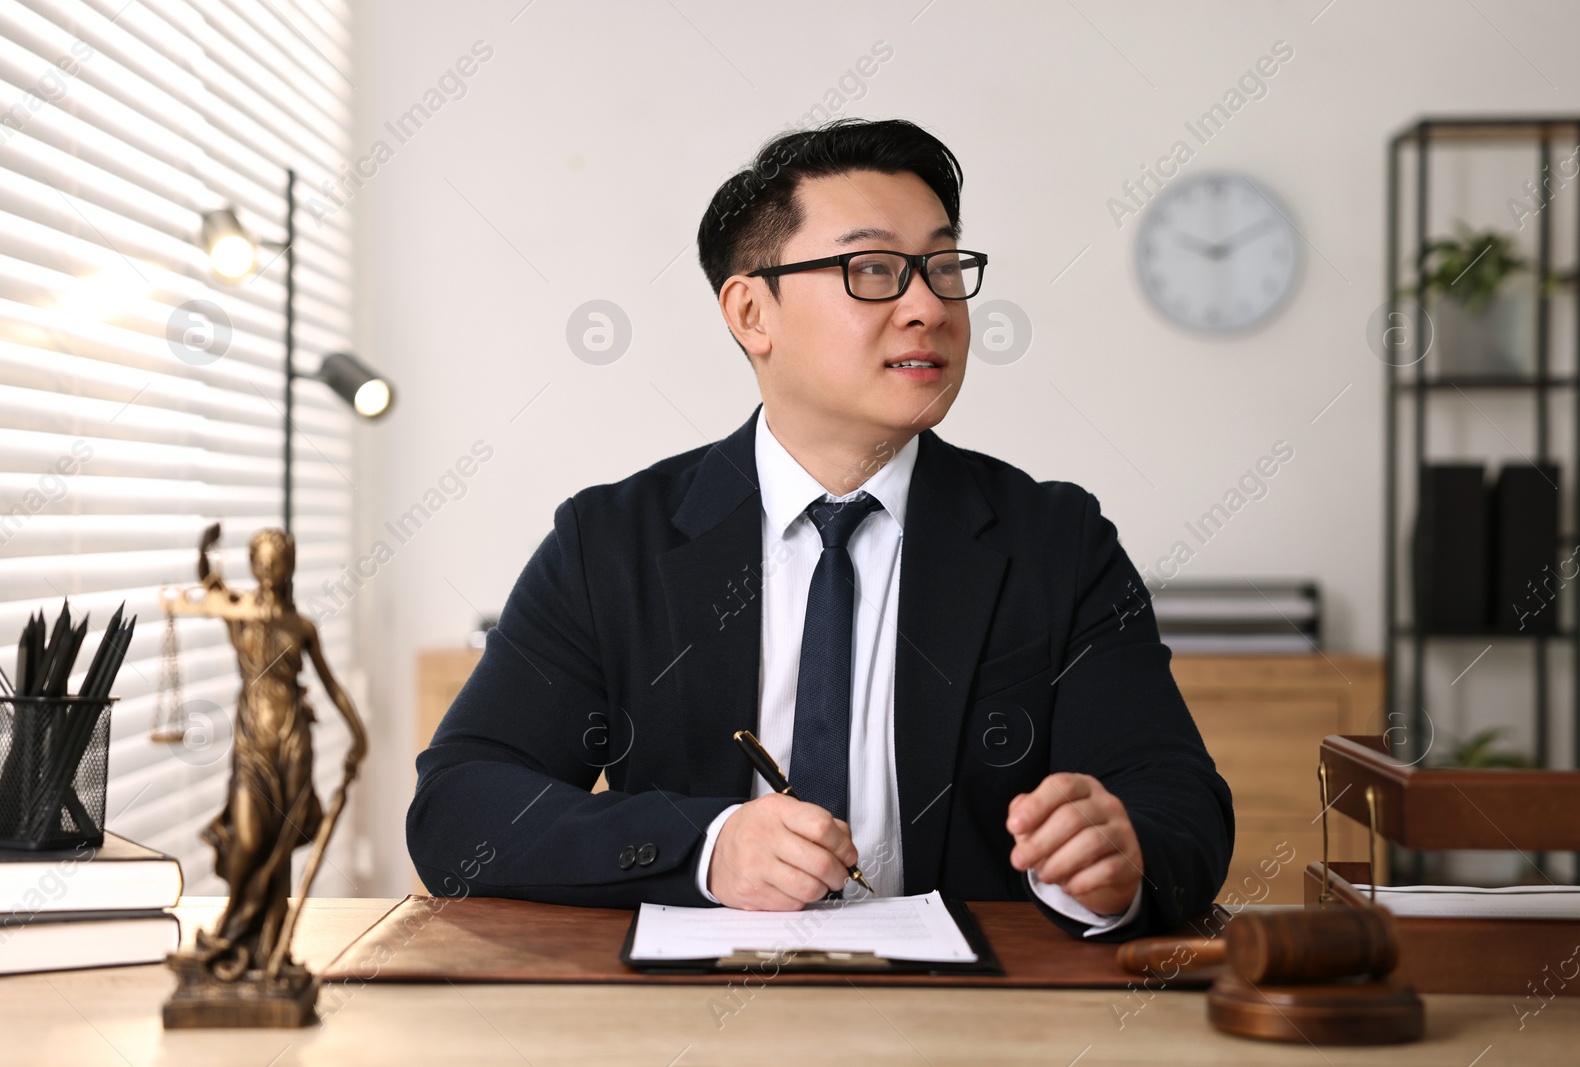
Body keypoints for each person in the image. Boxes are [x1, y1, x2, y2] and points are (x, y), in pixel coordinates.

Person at [408, 117, 1232, 941]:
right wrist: (705, 847)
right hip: (686, 1012)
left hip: (976, 1018)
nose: (927, 306)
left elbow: (1178, 800)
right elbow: (461, 805)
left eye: (943, 268)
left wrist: (1119, 859)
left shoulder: (1056, 540)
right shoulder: (613, 544)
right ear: (751, 312)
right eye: (873, 270)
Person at [174, 525, 368, 979]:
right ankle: (230, 933)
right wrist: (204, 549)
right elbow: (209, 585)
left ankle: (264, 950)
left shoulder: (300, 626)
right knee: (248, 840)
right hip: (252, 744)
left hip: (293, 744)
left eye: (276, 558)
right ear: (250, 562)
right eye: (259, 558)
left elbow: (331, 684)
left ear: (289, 566)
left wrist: (359, 734)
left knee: (280, 845)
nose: (267, 566)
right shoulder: (238, 612)